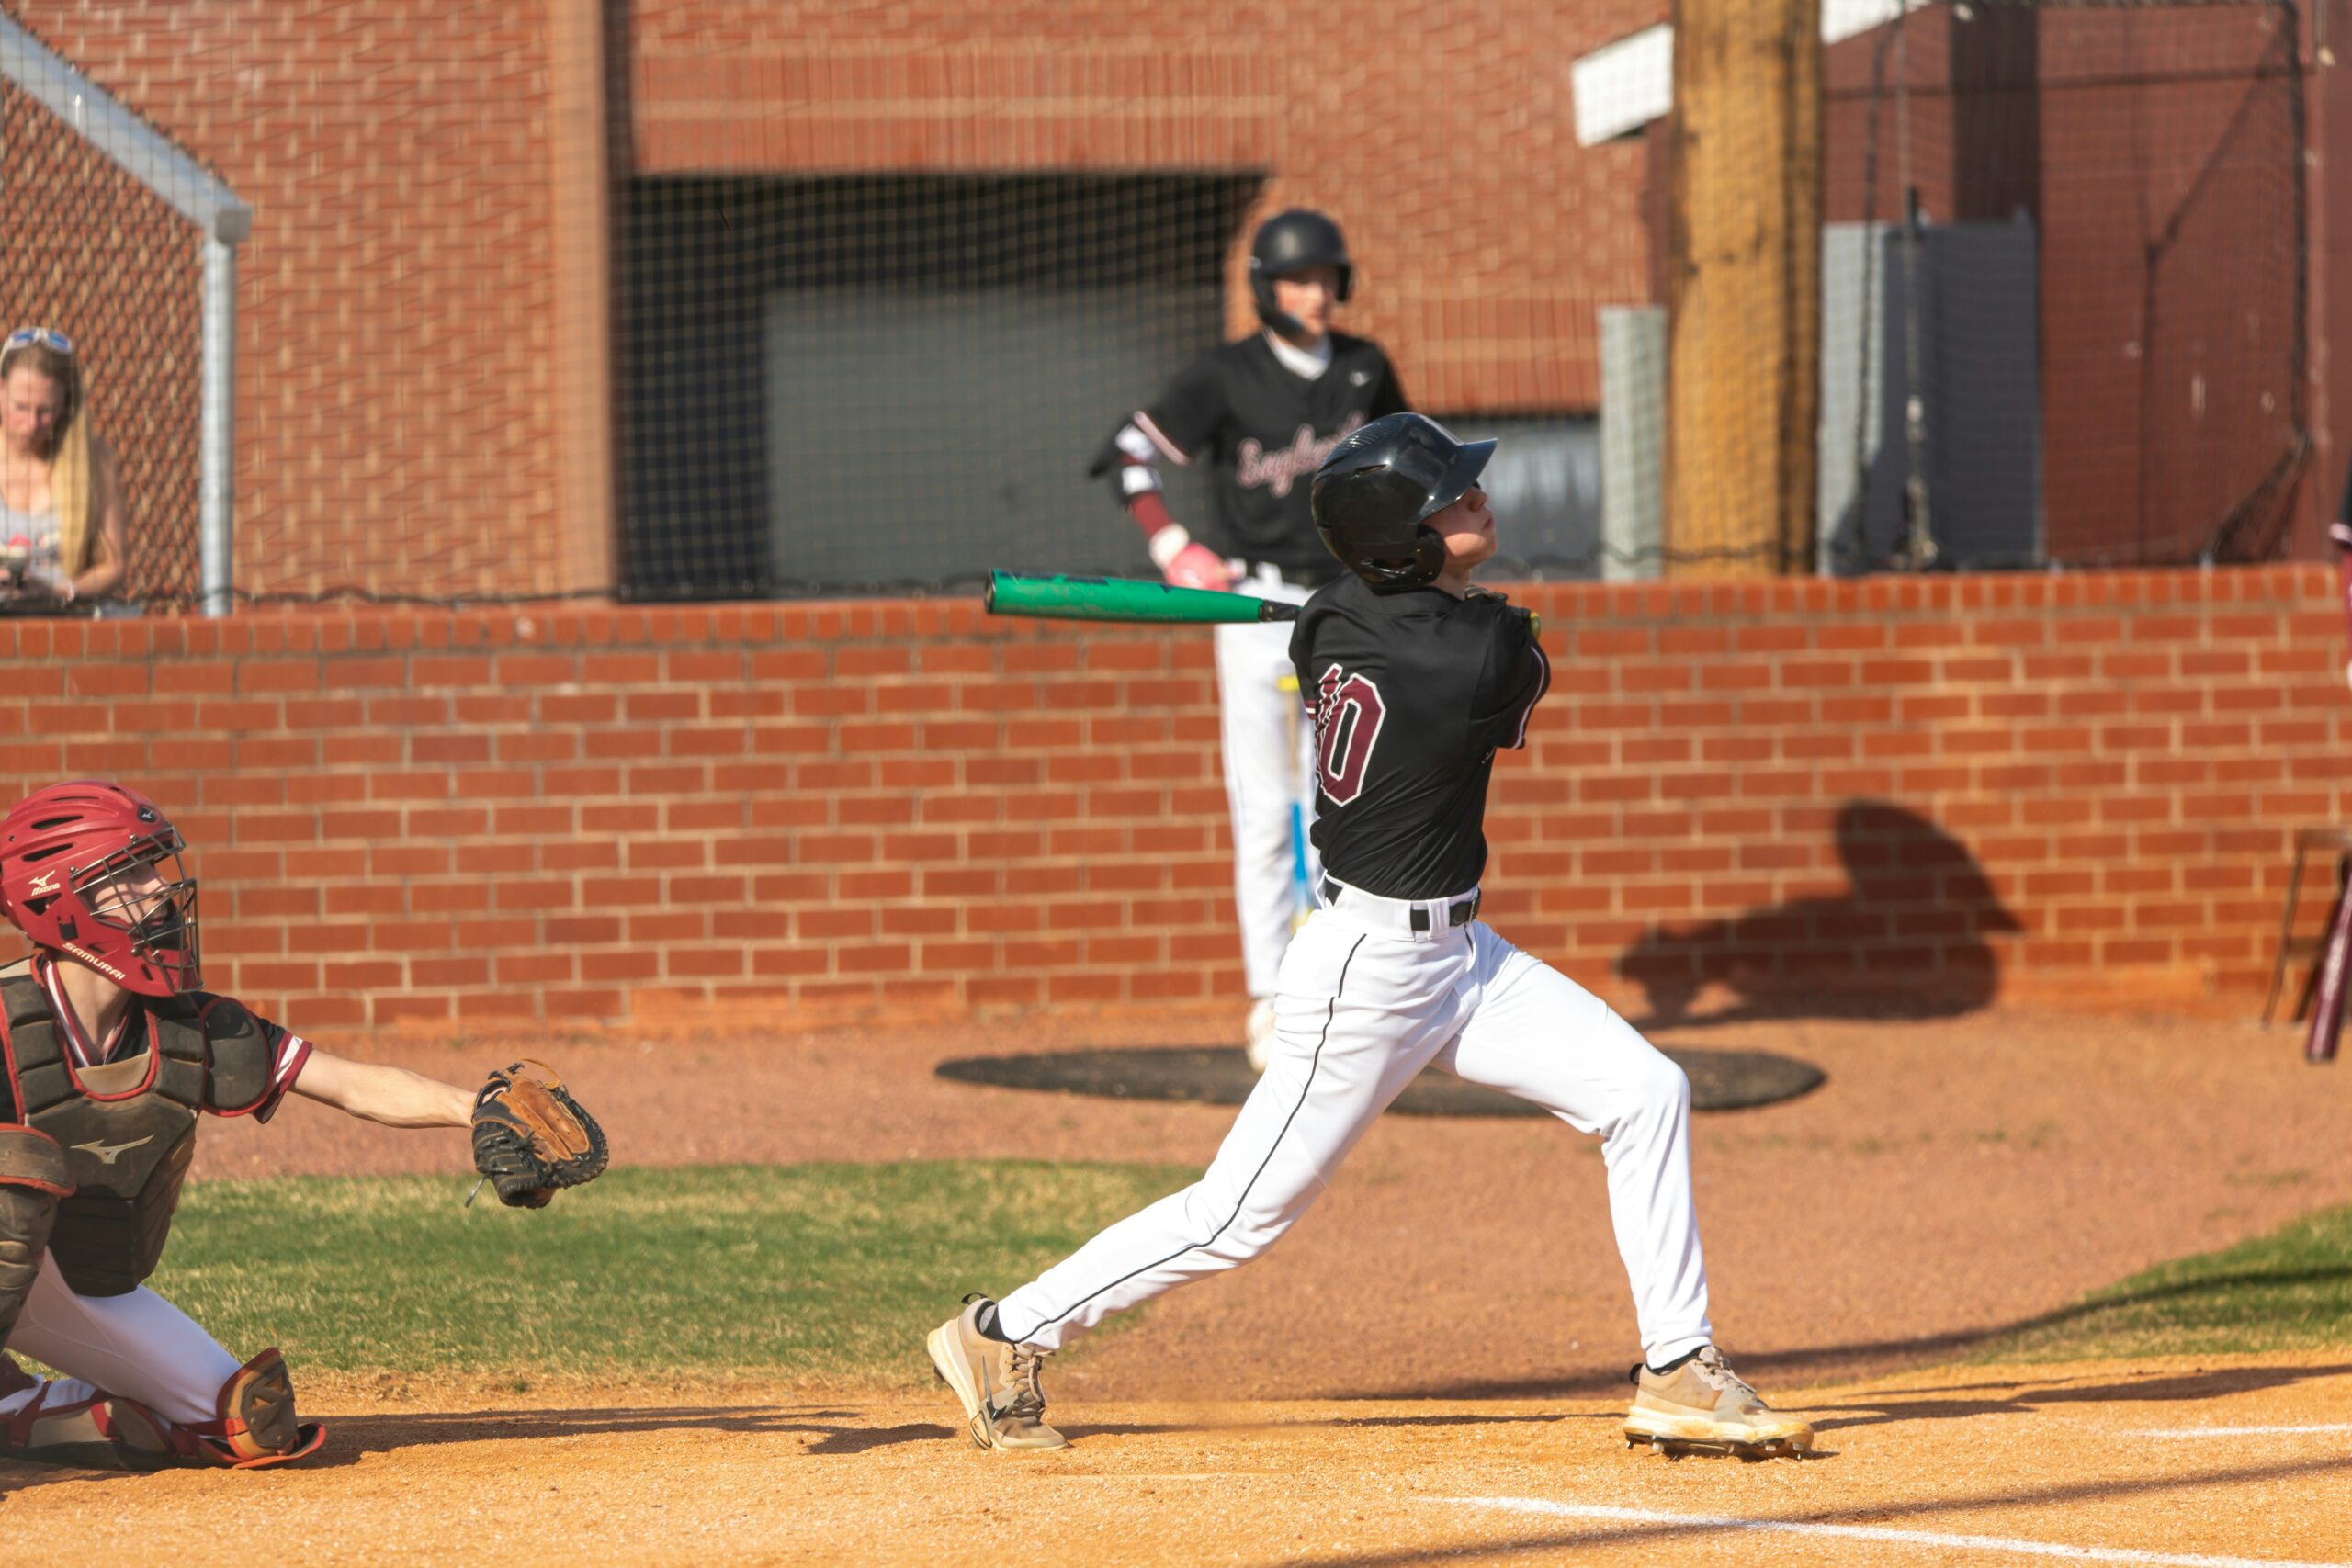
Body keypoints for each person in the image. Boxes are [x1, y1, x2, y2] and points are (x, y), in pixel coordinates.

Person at [931, 413, 1812, 1461]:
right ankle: (1004, 1332)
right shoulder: (1470, 660)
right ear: (1402, 543)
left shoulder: (1334, 619)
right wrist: (1427, 605)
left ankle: (1677, 1364)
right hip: (1369, 973)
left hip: (1463, 960)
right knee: (1237, 1217)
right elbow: (1514, 652)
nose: (1475, 500)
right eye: (1448, 500)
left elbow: (1386, 614)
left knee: (1644, 1090)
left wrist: (1380, 596)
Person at [0, 780, 605, 1469]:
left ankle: (19, 1410)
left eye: (152, 868)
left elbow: (348, 1082)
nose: (159, 893)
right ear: (56, 902)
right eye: (125, 875)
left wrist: (475, 1107)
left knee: (253, 1422)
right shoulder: (6, 1017)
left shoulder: (188, 1027)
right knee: (13, 1170)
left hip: (70, 1280)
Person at [1089, 210, 1408, 1066]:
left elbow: (1410, 470)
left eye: (1327, 279)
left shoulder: (1365, 366)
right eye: (1299, 281)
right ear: (1266, 288)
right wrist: (1171, 543)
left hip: (1350, 604)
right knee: (1268, 808)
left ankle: (1347, 989)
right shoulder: (1227, 374)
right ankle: (1273, 997)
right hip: (1254, 606)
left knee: (1349, 805)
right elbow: (1126, 454)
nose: (1317, 295)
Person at [0, 327, 128, 606]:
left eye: (45, 411)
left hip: (65, 622)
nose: (32, 424)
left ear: (65, 404)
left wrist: (59, 592)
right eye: (20, 407)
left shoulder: (93, 458)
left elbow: (114, 565)